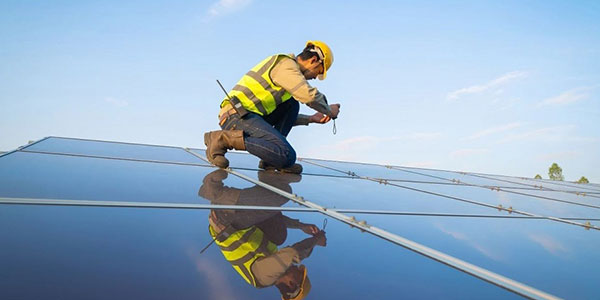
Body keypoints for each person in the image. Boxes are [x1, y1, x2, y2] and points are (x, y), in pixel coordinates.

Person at [204, 41, 341, 174]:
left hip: (249, 116)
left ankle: (271, 160)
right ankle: (221, 139)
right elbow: (308, 95)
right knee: (287, 155)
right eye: (319, 71)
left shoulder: (287, 75)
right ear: (313, 60)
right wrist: (329, 109)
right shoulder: (286, 65)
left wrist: (310, 119)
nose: (316, 77)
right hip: (235, 116)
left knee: (291, 105)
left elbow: (278, 118)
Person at [199, 169, 327, 300]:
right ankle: (268, 174)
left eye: (299, 272)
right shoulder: (270, 254)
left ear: (292, 284)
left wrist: (316, 240)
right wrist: (301, 226)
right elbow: (271, 216)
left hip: (225, 220)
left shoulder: (262, 278)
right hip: (237, 220)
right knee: (279, 236)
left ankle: (215, 192)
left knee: (282, 195)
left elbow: (292, 254)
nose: (297, 267)